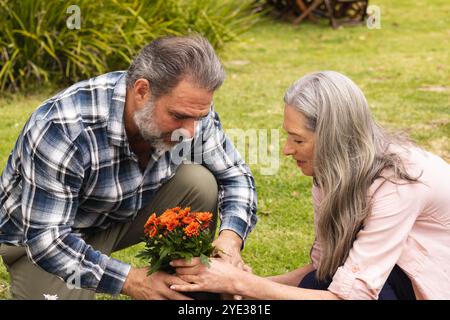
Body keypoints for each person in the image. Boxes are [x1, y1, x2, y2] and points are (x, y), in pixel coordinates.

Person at [0, 35, 257, 300]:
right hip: (44, 238)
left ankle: (181, 278)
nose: (190, 133)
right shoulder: (63, 127)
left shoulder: (191, 106)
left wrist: (230, 240)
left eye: (198, 118)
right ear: (142, 91)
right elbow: (46, 240)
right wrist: (131, 280)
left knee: (200, 183)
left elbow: (235, 175)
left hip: (119, 212)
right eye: (179, 116)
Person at [170, 71, 450, 300]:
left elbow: (354, 296)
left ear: (333, 139)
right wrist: (232, 283)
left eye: (298, 140)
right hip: (383, 276)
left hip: (417, 285)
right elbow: (323, 269)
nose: (287, 150)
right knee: (314, 283)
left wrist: (241, 284)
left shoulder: (398, 182)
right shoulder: (331, 173)